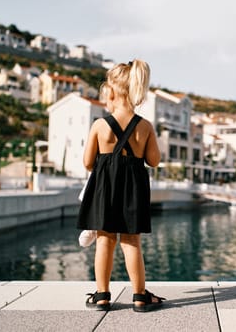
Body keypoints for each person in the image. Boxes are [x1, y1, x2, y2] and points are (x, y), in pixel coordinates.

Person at [77, 59, 165, 312]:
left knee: (105, 240)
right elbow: (154, 160)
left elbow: (87, 162)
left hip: (104, 188)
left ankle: (102, 295)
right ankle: (140, 296)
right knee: (131, 242)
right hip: (134, 189)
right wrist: (146, 139)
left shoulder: (100, 125)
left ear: (112, 92)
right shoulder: (145, 126)